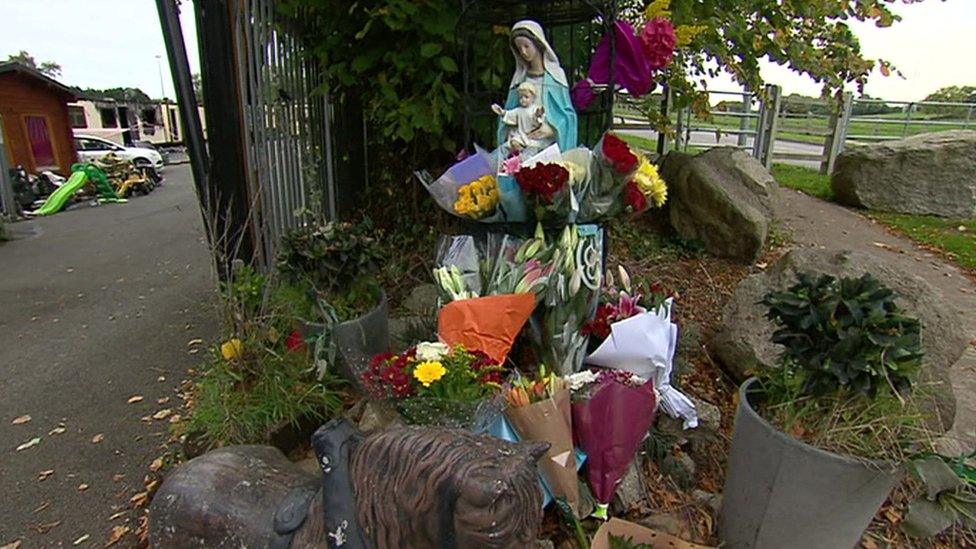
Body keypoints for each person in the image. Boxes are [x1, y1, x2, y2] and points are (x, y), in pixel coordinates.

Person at [495, 20, 578, 155]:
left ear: (538, 44)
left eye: (526, 46)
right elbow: (510, 114)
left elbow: (568, 115)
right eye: (519, 47)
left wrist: (552, 128)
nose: (523, 51)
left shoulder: (555, 77)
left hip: (547, 144)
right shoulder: (519, 79)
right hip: (521, 141)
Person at [492, 82, 547, 155]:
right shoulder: (518, 110)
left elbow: (538, 119)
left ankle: (524, 156)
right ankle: (520, 155)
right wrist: (501, 112)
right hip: (521, 135)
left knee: (534, 147)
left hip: (533, 136)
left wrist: (539, 114)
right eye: (521, 97)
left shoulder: (534, 109)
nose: (523, 99)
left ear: (533, 97)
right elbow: (509, 115)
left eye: (526, 97)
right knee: (513, 142)